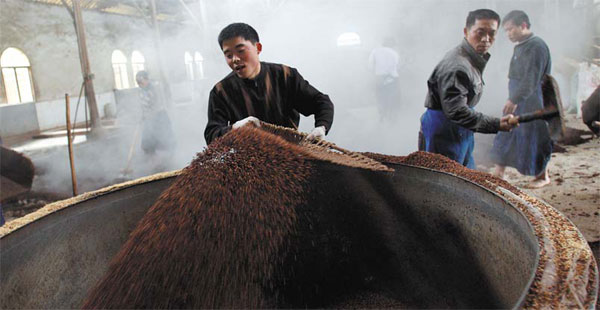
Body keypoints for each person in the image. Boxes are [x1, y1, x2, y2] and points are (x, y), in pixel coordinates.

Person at [204, 23, 334, 145]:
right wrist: (235, 128)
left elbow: (321, 102)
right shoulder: (221, 91)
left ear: (258, 48)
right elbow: (211, 135)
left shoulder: (285, 75)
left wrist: (321, 128)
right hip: (248, 160)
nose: (235, 59)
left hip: (290, 154)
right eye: (228, 55)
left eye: (241, 50)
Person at [419, 9, 516, 169]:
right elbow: (457, 112)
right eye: (480, 32)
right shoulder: (457, 66)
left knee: (465, 174)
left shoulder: (470, 58)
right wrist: (496, 124)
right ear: (466, 31)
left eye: (492, 33)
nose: (486, 39)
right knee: (447, 180)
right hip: (444, 129)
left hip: (459, 128)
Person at [490, 10, 553, 188]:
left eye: (511, 30)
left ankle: (543, 176)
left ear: (523, 26)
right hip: (519, 95)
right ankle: (499, 173)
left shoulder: (536, 46)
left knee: (535, 136)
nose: (508, 34)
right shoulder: (522, 45)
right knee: (506, 130)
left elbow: (531, 78)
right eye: (506, 31)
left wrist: (515, 98)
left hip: (533, 99)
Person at [135, 71, 175, 155]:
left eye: (141, 82)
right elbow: (143, 105)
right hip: (148, 118)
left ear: (147, 80)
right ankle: (151, 158)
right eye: (138, 83)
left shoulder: (155, 88)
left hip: (159, 117)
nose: (139, 84)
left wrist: (149, 116)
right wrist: (142, 115)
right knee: (147, 142)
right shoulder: (141, 90)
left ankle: (168, 158)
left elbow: (158, 105)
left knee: (163, 139)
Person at [368, 36, 401, 120]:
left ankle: (382, 116)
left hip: (379, 78)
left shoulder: (375, 51)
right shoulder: (394, 53)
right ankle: (392, 117)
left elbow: (370, 66)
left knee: (380, 98)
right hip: (393, 79)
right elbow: (398, 66)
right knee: (393, 98)